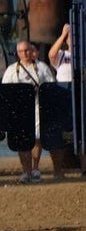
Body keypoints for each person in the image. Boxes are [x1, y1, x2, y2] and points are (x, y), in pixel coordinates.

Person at [1, 40, 55, 183]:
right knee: (22, 141)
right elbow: (5, 90)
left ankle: (35, 168)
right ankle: (26, 170)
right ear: (17, 53)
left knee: (37, 138)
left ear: (32, 51)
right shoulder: (12, 70)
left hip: (38, 107)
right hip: (20, 111)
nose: (25, 54)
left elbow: (50, 85)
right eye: (21, 51)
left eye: (27, 50)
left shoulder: (42, 67)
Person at [47, 23, 79, 178]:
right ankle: (58, 170)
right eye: (70, 37)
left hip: (79, 90)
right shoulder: (62, 55)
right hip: (62, 90)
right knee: (58, 130)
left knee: (80, 130)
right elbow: (51, 55)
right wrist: (63, 34)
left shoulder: (82, 54)